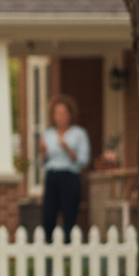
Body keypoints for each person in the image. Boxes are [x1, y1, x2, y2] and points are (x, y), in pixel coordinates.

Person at [39, 94, 90, 242]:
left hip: (69, 177)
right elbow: (43, 162)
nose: (60, 117)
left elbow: (83, 160)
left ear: (70, 114)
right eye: (57, 113)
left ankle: (69, 252)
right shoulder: (48, 134)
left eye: (63, 113)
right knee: (48, 215)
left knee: (69, 215)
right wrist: (42, 151)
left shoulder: (79, 133)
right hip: (52, 176)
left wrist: (67, 148)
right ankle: (49, 253)